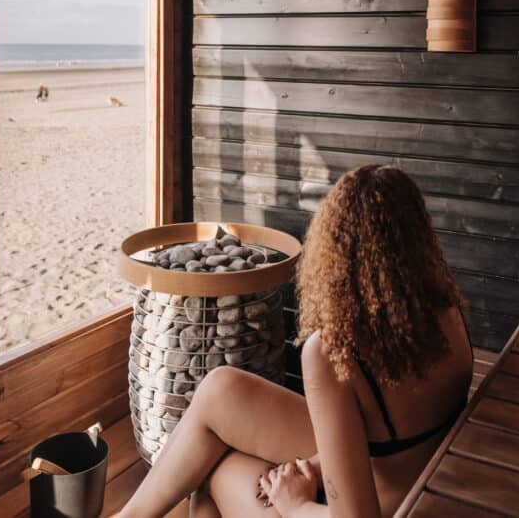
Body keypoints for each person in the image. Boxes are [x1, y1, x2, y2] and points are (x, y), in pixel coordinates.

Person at [120, 165, 473, 518]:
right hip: (411, 473)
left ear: (333, 249)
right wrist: (317, 466)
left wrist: (296, 503)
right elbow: (396, 439)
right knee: (220, 387)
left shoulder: (333, 351)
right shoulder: (445, 309)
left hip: (387, 508)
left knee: (215, 469)